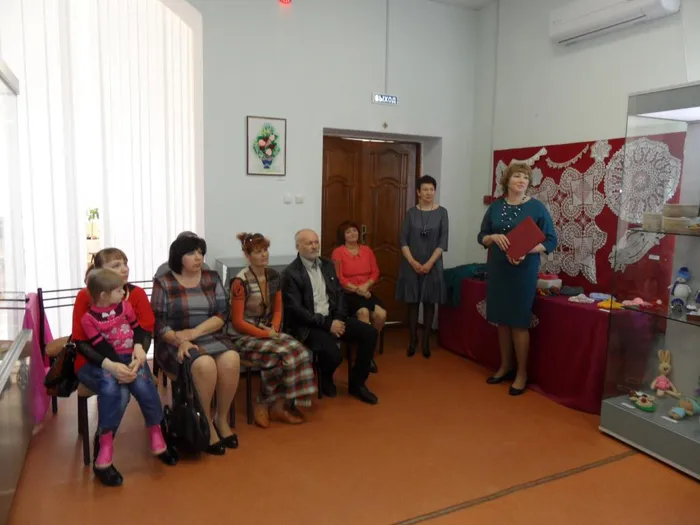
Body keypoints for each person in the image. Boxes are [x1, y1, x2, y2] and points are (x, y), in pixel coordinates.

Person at [71, 248, 176, 487]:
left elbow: (144, 328)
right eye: (116, 265)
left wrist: (139, 352)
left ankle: (156, 433)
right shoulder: (85, 297)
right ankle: (103, 447)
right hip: (92, 362)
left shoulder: (134, 295)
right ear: (99, 273)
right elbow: (82, 342)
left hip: (129, 356)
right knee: (119, 391)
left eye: (125, 263)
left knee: (142, 382)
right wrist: (111, 365)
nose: (124, 269)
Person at [151, 235, 241, 455]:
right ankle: (205, 423)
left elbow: (222, 314)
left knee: (231, 359)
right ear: (178, 257)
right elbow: (158, 321)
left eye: (200, 252)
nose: (198, 257)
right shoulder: (164, 282)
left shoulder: (211, 278)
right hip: (173, 340)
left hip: (207, 334)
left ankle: (221, 418)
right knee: (204, 365)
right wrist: (181, 339)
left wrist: (194, 333)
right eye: (191, 253)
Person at [477, 162, 557, 396]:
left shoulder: (537, 208)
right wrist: (492, 237)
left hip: (523, 271)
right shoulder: (495, 207)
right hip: (498, 269)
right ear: (507, 181)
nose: (522, 181)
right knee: (501, 320)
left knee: (519, 322)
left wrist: (527, 249)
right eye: (517, 177)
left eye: (525, 177)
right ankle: (505, 366)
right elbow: (481, 236)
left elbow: (551, 240)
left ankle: (521, 373)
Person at [229, 233, 317, 427]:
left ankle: (279, 404)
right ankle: (266, 402)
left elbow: (278, 310)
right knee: (283, 354)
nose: (264, 255)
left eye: (265, 250)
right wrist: (265, 334)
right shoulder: (239, 282)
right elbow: (237, 322)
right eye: (257, 252)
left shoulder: (274, 276)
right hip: (243, 335)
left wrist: (274, 328)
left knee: (299, 351)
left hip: (269, 331)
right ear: (247, 256)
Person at [282, 229, 379, 404]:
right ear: (298, 247)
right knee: (334, 355)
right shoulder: (291, 273)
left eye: (316, 242)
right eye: (309, 243)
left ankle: (357, 384)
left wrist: (339, 319)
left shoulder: (327, 265)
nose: (314, 246)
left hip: (333, 318)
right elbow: (297, 310)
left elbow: (340, 294)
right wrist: (328, 325)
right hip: (309, 325)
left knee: (369, 333)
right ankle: (325, 376)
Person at [396, 175, 449, 358]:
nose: (428, 193)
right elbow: (403, 241)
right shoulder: (411, 213)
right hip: (411, 264)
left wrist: (429, 263)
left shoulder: (442, 212)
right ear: (418, 192)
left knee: (429, 302)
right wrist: (413, 262)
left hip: (433, 264)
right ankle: (413, 339)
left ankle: (426, 340)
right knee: (412, 303)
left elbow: (443, 242)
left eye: (431, 189)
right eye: (425, 189)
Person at [331, 221, 386, 372]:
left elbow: (375, 272)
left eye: (354, 230)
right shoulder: (338, 252)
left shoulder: (367, 250)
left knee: (381, 314)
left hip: (366, 291)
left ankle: (368, 349)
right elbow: (339, 278)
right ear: (343, 236)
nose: (352, 234)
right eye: (348, 232)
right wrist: (357, 289)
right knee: (363, 313)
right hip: (348, 294)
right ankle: (364, 358)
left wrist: (366, 286)